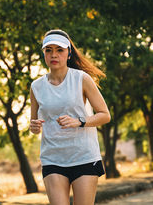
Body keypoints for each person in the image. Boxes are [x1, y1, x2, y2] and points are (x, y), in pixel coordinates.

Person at [30, 29, 111, 205]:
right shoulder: (36, 86)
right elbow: (34, 124)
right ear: (43, 53)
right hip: (53, 159)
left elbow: (105, 115)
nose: (54, 54)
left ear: (68, 53)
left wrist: (80, 122)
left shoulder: (82, 79)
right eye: (49, 50)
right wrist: (34, 127)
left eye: (59, 50)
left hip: (84, 156)